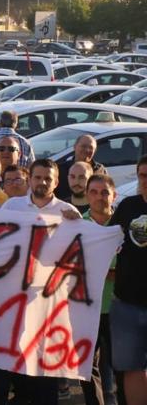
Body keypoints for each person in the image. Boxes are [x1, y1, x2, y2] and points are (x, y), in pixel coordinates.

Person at [0, 159, 80, 403]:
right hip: (12, 297)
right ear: (30, 178)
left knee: (43, 359)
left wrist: (78, 224)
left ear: (56, 182)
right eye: (38, 177)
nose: (42, 182)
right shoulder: (12, 206)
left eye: (47, 178)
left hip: (48, 301)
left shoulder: (67, 212)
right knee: (12, 353)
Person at [107, 156, 147, 405]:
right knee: (132, 369)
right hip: (127, 303)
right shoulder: (127, 206)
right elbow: (104, 240)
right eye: (142, 175)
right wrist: (72, 224)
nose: (146, 181)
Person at [82, 173, 120, 405]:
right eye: (94, 192)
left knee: (123, 364)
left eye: (104, 192)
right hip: (85, 308)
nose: (99, 197)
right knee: (86, 366)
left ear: (113, 195)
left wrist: (96, 270)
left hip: (117, 307)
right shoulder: (76, 225)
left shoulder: (124, 225)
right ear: (87, 195)